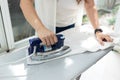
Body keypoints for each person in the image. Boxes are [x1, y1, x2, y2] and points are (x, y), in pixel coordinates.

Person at [20, 0, 113, 46]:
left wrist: (98, 30)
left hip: (72, 29)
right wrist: (40, 28)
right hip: (46, 31)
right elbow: (25, 3)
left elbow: (90, 5)